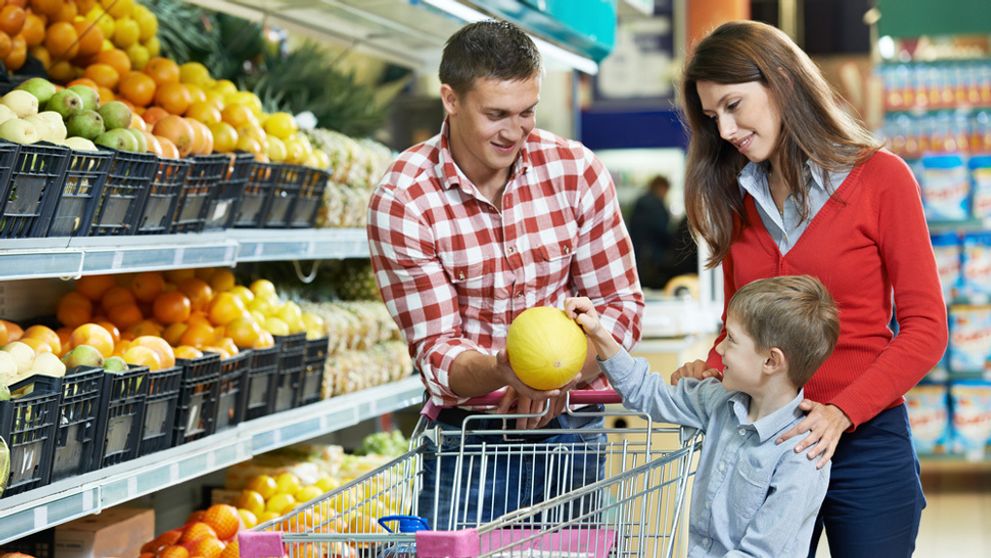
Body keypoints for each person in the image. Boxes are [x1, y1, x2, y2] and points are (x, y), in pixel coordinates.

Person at [672, 21, 948, 557]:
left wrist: (842, 411)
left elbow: (927, 329)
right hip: (762, 441)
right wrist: (713, 363)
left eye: (734, 105)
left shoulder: (881, 180)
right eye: (712, 117)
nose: (725, 130)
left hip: (864, 442)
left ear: (782, 81)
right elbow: (739, 322)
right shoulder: (738, 196)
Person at [366, 20, 643, 529]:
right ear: (450, 99)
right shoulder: (404, 199)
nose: (514, 131)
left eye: (527, 112)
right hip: (471, 442)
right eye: (496, 114)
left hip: (572, 434)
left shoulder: (575, 170)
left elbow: (621, 304)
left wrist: (562, 372)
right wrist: (504, 371)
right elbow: (436, 349)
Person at [567, 274, 839, 556]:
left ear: (771, 361)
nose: (718, 349)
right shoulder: (717, 400)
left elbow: (760, 553)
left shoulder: (802, 456)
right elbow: (646, 392)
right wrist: (599, 333)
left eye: (731, 339)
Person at [629, 175, 675, 289]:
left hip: (639, 256)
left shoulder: (640, 202)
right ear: (661, 188)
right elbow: (662, 231)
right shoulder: (656, 206)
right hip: (654, 259)